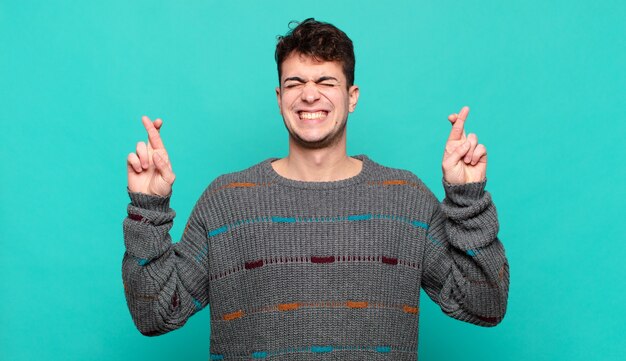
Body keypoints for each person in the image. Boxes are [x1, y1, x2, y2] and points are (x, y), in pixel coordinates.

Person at [123, 18, 509, 360]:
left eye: (326, 81)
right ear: (279, 99)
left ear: (352, 97)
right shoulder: (227, 200)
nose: (310, 95)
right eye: (296, 83)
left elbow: (485, 304)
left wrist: (467, 199)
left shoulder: (405, 198)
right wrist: (148, 208)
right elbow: (156, 313)